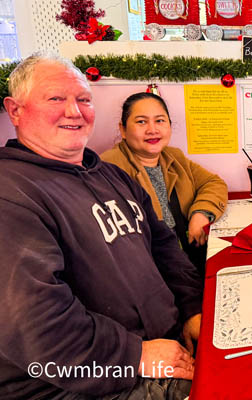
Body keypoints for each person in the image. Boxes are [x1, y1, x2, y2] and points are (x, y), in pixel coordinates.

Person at [0, 53, 203, 400]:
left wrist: (191, 309)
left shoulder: (110, 175)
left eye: (83, 99)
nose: (74, 111)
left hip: (161, 345)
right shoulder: (11, 194)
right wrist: (136, 355)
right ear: (15, 110)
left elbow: (163, 246)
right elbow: (38, 328)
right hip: (85, 381)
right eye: (56, 99)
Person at [101, 92, 228, 276]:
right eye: (141, 122)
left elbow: (213, 183)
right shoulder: (108, 168)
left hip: (188, 259)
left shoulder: (173, 157)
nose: (152, 130)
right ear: (123, 129)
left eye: (160, 120)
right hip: (150, 273)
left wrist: (200, 213)